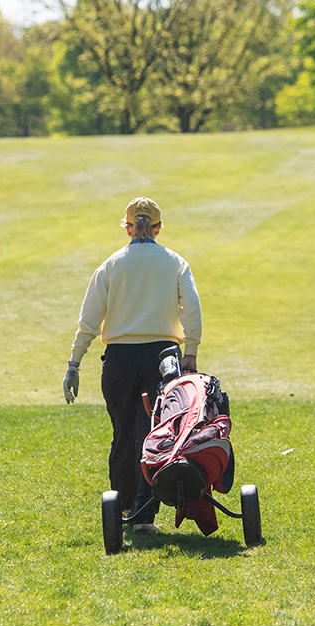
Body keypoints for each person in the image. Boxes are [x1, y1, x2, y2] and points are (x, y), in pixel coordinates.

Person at [63, 196, 202, 534]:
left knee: (123, 433)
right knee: (154, 433)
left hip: (120, 360)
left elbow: (90, 320)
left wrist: (75, 361)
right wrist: (192, 352)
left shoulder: (111, 265)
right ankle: (143, 514)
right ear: (157, 228)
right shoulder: (174, 262)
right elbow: (193, 310)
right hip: (163, 358)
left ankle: (123, 507)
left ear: (128, 228)